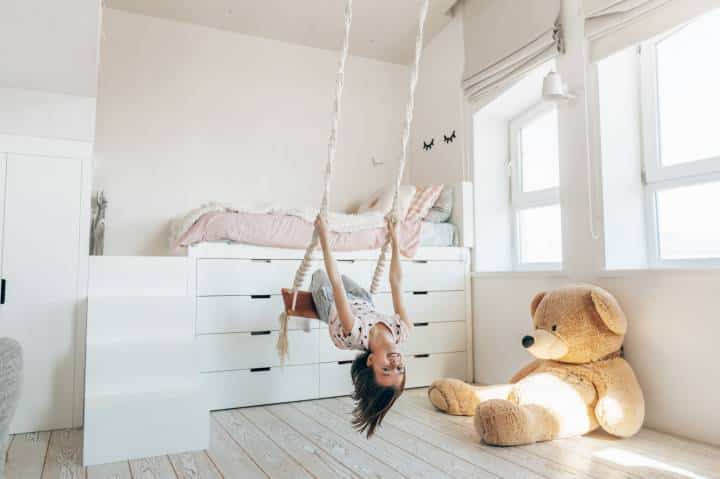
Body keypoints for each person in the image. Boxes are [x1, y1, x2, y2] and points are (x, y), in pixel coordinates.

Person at [311, 215, 412, 437]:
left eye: (386, 369)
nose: (395, 363)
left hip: (332, 305)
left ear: (370, 360)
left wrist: (324, 237)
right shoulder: (401, 330)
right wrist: (395, 239)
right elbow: (396, 281)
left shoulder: (354, 332)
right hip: (362, 301)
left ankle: (317, 306)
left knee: (321, 276)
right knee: (360, 293)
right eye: (400, 369)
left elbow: (336, 284)